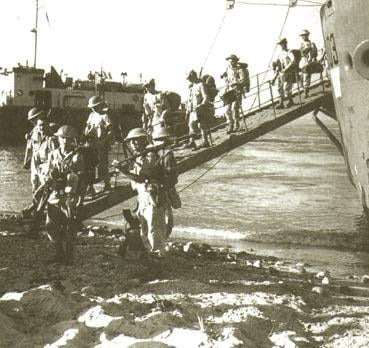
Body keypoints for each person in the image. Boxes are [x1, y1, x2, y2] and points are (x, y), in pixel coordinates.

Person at [113, 128, 168, 255]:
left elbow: (142, 178)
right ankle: (150, 255)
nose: (132, 144)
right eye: (131, 142)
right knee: (144, 229)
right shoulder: (139, 156)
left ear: (142, 141)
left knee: (154, 228)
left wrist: (124, 171)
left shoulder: (150, 155)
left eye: (135, 141)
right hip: (143, 197)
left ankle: (158, 256)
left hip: (152, 196)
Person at [45, 125, 84, 264]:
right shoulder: (53, 154)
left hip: (70, 195)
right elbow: (48, 173)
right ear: (58, 139)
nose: (65, 141)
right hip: (55, 194)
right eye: (62, 138)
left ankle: (68, 256)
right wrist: (50, 178)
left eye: (68, 139)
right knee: (51, 225)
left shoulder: (77, 156)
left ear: (73, 140)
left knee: (69, 226)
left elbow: (82, 179)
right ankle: (59, 253)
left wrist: (80, 198)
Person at [151, 127, 179, 238]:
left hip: (153, 188)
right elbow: (171, 174)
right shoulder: (168, 154)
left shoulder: (151, 152)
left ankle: (158, 238)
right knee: (168, 218)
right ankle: (162, 238)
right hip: (163, 189)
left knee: (156, 214)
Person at [84, 95, 112, 192]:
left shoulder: (105, 116)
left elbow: (110, 131)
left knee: (103, 164)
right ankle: (90, 186)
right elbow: (87, 127)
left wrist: (104, 142)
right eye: (92, 107)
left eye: (96, 107)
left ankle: (107, 183)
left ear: (100, 105)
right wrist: (86, 133)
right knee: (90, 165)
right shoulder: (91, 116)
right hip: (91, 143)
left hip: (101, 143)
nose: (94, 109)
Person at [221, 54, 248, 134]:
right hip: (229, 90)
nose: (231, 62)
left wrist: (236, 83)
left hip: (237, 90)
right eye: (230, 60)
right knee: (227, 110)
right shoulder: (228, 69)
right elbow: (226, 79)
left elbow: (243, 80)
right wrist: (224, 77)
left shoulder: (240, 70)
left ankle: (236, 125)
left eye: (233, 60)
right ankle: (230, 125)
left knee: (235, 108)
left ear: (236, 61)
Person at [185, 70, 210, 149]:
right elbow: (190, 100)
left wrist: (202, 104)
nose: (189, 80)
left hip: (200, 109)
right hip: (193, 110)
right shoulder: (192, 87)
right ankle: (192, 142)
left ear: (194, 76)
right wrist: (187, 111)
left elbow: (206, 96)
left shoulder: (201, 85)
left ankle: (205, 141)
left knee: (201, 125)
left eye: (190, 78)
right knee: (191, 125)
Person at [274, 38, 296, 109]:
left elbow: (293, 60)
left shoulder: (289, 52)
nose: (281, 45)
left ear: (285, 43)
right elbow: (278, 63)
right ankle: (281, 103)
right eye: (280, 44)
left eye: (282, 44)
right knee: (279, 88)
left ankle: (290, 101)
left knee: (286, 87)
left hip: (288, 71)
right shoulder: (280, 54)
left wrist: (287, 67)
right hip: (281, 72)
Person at [299, 29, 318, 97]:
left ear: (307, 35)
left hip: (308, 60)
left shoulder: (311, 43)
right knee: (301, 76)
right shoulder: (302, 44)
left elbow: (314, 52)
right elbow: (301, 52)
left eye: (304, 35)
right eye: (302, 36)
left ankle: (306, 92)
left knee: (307, 76)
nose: (303, 37)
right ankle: (304, 89)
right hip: (303, 60)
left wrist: (312, 57)